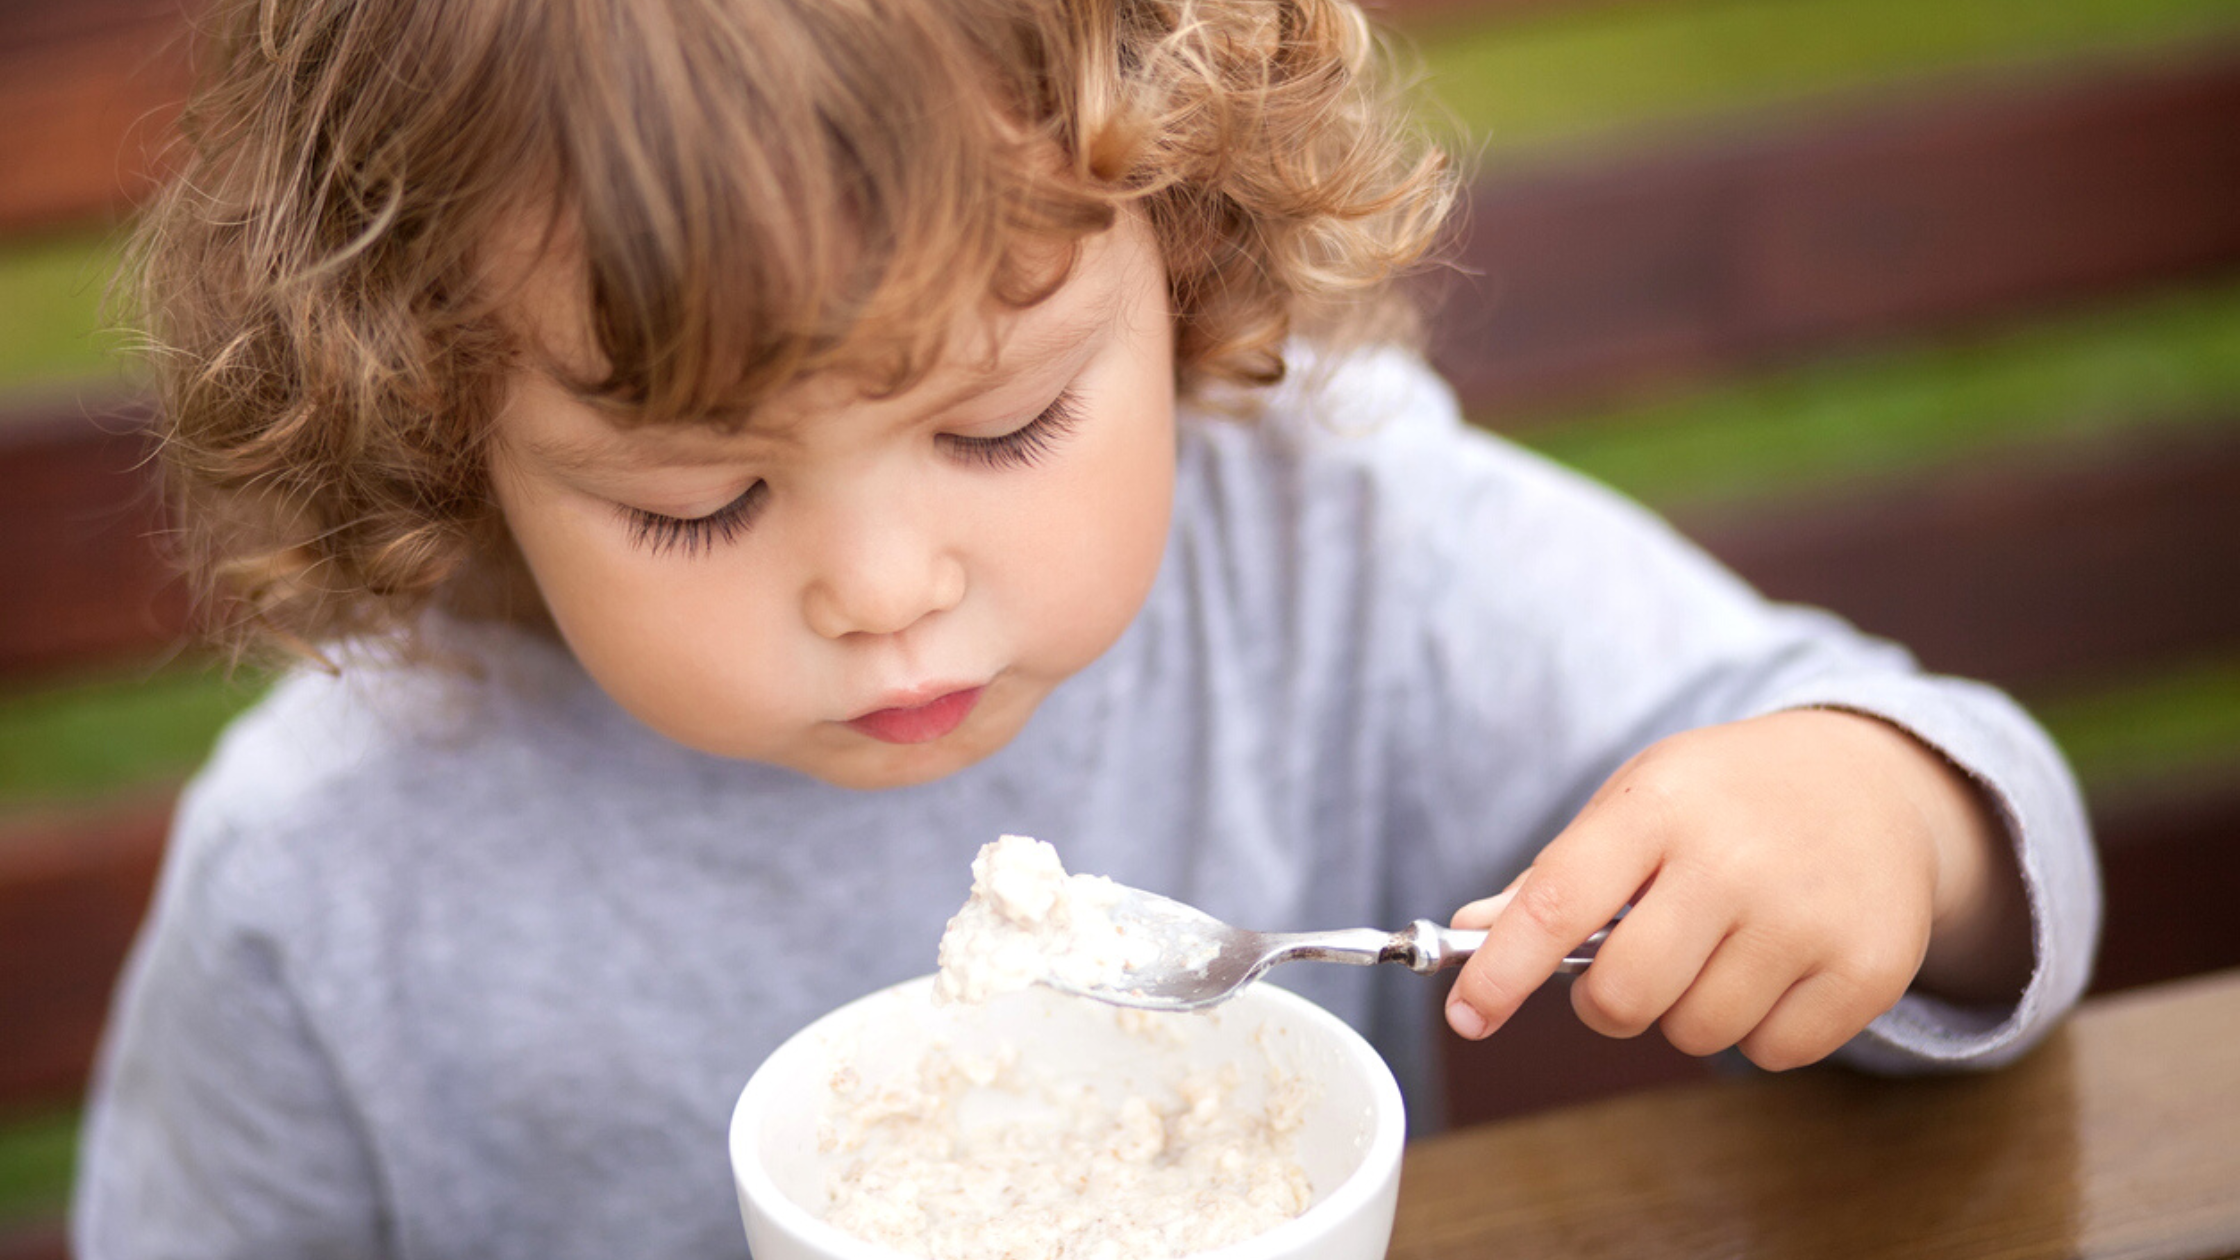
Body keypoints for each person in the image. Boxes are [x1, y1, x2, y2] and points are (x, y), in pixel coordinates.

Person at [75, 0, 2099, 1256]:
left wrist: (1872, 824)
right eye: (696, 500)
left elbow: (1956, 814)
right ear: (437, 428)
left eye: (1003, 421)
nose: (883, 590)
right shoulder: (333, 881)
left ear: (1185, 248)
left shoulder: (1330, 550)